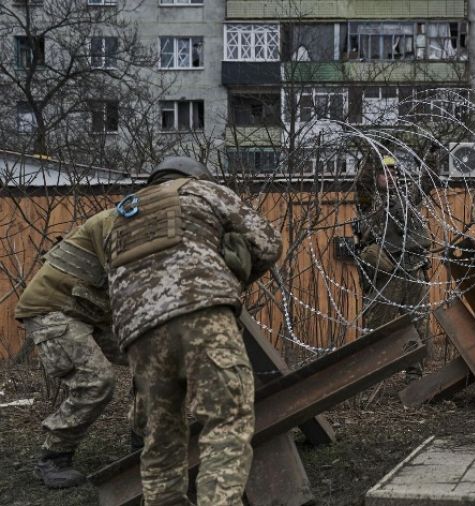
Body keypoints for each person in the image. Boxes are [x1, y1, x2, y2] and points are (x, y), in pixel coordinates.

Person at [105, 156, 282, 505]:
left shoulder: (121, 218)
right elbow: (268, 243)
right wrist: (236, 273)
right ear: (198, 176)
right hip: (202, 313)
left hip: (138, 333)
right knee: (226, 421)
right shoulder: (202, 191)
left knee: (160, 437)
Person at [15, 208, 133, 489]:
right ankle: (53, 457)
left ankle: (143, 437)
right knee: (95, 382)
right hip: (53, 308)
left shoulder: (148, 221)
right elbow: (128, 277)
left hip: (88, 310)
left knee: (151, 358)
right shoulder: (119, 220)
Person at [355, 155, 434, 380]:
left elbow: (427, 182)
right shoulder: (369, 201)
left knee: (418, 321)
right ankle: (368, 375)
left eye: (392, 172)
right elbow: (362, 183)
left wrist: (433, 155)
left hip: (412, 266)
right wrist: (372, 155)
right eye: (383, 172)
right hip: (386, 271)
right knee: (377, 324)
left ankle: (414, 373)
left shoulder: (406, 197)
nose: (389, 176)